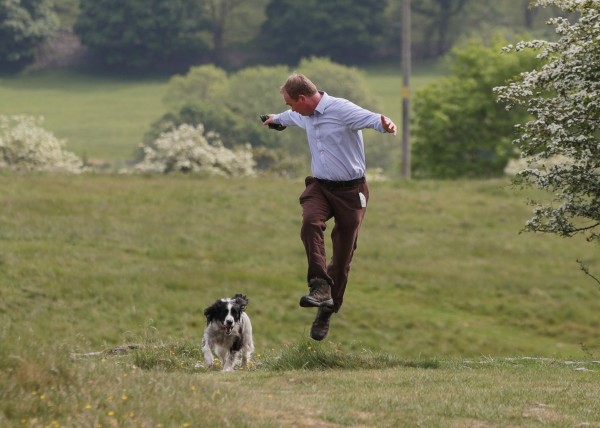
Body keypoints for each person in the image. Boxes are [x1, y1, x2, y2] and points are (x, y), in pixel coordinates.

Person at [263, 73, 397, 341]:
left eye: (291, 103)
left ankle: (327, 309)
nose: (291, 109)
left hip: (352, 192)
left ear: (303, 98)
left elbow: (371, 119)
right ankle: (319, 285)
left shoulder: (341, 109)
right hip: (320, 187)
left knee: (343, 258)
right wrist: (275, 120)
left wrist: (386, 125)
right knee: (310, 223)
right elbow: (291, 118)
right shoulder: (304, 114)